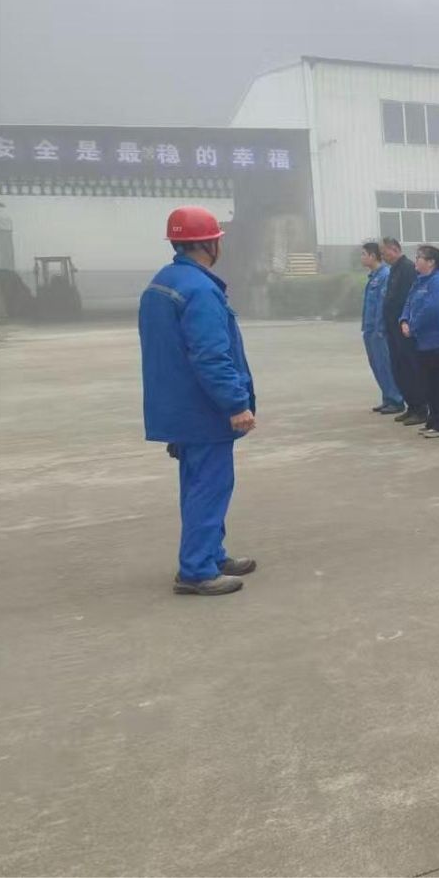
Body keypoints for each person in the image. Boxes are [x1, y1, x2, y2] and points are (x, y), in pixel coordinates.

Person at [139, 205, 259, 596]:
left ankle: (210, 554)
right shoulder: (200, 290)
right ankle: (196, 570)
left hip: (178, 404)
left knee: (197, 484)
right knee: (210, 485)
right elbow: (210, 355)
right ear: (209, 244)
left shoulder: (163, 283)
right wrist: (235, 403)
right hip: (203, 408)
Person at [401, 245, 439, 438]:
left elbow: (432, 309)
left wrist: (412, 326)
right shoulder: (419, 280)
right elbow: (408, 303)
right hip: (421, 341)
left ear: (431, 262)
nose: (415, 261)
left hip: (437, 342)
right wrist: (404, 320)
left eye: (419, 257)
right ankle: (433, 421)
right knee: (428, 385)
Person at [381, 238, 422, 425]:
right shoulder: (394, 270)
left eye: (385, 253)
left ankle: (420, 408)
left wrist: (406, 322)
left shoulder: (407, 269)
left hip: (404, 328)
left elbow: (409, 300)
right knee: (399, 369)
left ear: (395, 249)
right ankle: (411, 406)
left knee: (410, 369)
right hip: (393, 328)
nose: (383, 257)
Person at [360, 241, 403, 414]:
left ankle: (396, 399)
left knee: (385, 364)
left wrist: (379, 328)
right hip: (370, 328)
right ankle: (387, 396)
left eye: (364, 254)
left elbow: (382, 305)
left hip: (378, 330)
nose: (362, 258)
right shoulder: (373, 276)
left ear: (372, 256)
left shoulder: (385, 275)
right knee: (376, 365)